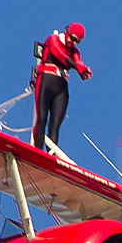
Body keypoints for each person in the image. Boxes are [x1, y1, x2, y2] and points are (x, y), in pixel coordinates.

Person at [32, 23, 92, 152]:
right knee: (42, 118)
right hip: (46, 80)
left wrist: (83, 70)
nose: (74, 43)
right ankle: (37, 151)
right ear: (67, 33)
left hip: (61, 87)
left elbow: (78, 61)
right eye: (73, 39)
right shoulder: (53, 40)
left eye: (77, 41)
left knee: (55, 125)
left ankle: (50, 156)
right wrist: (77, 67)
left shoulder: (74, 51)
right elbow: (60, 55)